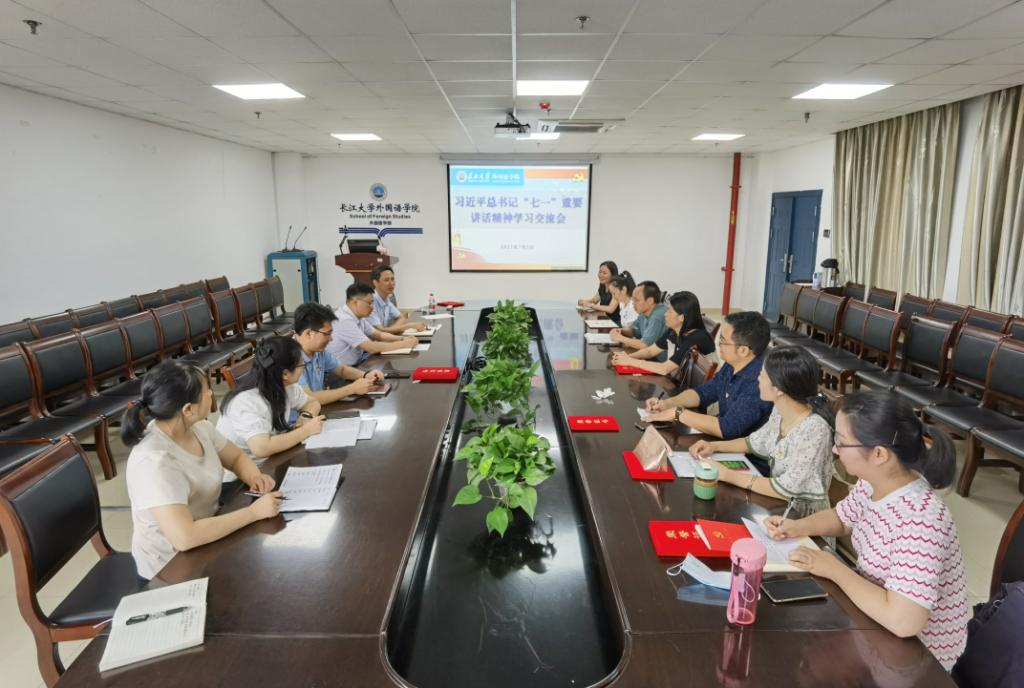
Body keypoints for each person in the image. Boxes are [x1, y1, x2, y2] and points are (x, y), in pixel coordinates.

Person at [765, 391, 967, 671]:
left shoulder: (921, 519)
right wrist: (796, 526)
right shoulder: (875, 481)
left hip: (914, 662)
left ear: (879, 454)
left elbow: (903, 621)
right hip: (873, 623)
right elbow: (842, 518)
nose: (835, 450)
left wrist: (835, 569)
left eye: (841, 441)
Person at [122, 361, 282, 581]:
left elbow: (236, 458)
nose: (211, 394)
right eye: (207, 391)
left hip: (210, 531)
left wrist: (254, 476)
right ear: (188, 409)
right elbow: (185, 537)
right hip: (171, 566)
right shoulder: (154, 461)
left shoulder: (198, 427)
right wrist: (253, 513)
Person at [688, 346, 834, 518]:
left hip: (802, 519)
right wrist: (714, 446)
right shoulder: (780, 410)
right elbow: (753, 442)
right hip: (777, 509)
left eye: (762, 375)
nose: (758, 378)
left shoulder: (815, 430)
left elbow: (786, 488)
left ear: (779, 389)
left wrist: (728, 475)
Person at [644, 311, 772, 438]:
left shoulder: (759, 383)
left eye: (722, 341)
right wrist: (668, 403)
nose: (718, 345)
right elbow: (704, 392)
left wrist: (678, 413)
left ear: (743, 350)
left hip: (736, 447)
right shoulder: (733, 365)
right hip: (717, 437)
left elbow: (728, 428)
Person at [217, 336, 324, 465]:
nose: (304, 368)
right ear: (285, 374)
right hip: (248, 470)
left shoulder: (283, 385)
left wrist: (305, 416)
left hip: (273, 459)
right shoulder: (246, 401)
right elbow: (262, 448)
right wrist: (306, 431)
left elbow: (312, 402)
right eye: (302, 365)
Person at [292, 302, 385, 407]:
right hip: (302, 416)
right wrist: (352, 389)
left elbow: (341, 369)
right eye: (327, 334)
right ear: (309, 333)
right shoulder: (289, 357)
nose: (331, 339)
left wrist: (366, 375)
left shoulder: (318, 351)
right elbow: (309, 398)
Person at [612, 290, 713, 376]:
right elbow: (650, 351)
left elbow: (665, 369)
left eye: (669, 311)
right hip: (677, 379)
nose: (665, 314)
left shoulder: (696, 338)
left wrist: (630, 361)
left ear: (681, 317)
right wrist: (626, 357)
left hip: (692, 389)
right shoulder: (674, 330)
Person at [327, 282, 418, 364]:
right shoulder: (344, 320)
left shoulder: (359, 317)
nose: (372, 307)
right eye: (369, 303)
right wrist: (404, 344)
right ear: (355, 302)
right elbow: (371, 347)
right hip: (342, 372)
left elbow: (379, 335)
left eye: (373, 303)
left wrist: (402, 338)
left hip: (359, 361)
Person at [609, 281, 668, 357]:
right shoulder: (644, 312)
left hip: (657, 361)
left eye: (636, 300)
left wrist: (620, 338)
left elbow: (644, 345)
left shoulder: (658, 315)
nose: (633, 303)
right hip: (647, 356)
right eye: (633, 299)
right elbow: (634, 330)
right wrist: (621, 331)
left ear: (650, 301)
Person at [367, 265, 426, 334]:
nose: (391, 283)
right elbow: (379, 332)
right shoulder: (370, 302)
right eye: (386, 280)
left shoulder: (386, 299)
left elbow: (401, 318)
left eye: (392, 279)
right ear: (375, 283)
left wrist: (390, 330)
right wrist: (409, 326)